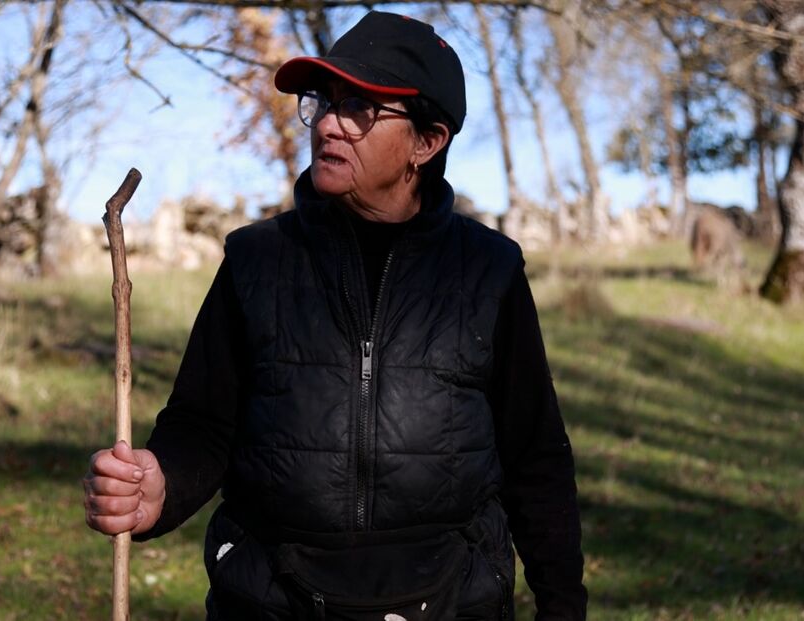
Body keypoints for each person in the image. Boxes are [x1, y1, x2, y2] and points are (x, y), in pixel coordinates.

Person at [84, 11, 586, 620]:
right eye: (324, 102)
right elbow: (203, 425)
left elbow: (535, 459)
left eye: (361, 109)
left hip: (450, 601)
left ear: (427, 143)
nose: (328, 124)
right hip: (272, 602)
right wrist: (157, 488)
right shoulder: (256, 260)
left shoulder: (489, 272)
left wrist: (562, 607)